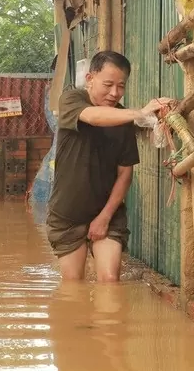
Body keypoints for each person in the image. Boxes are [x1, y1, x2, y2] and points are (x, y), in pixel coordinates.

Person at [46, 50, 172, 282]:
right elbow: (93, 117)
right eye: (108, 84)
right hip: (67, 214)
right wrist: (140, 113)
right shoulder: (72, 99)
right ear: (90, 79)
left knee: (110, 280)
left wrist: (104, 217)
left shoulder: (123, 119)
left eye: (121, 86)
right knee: (73, 284)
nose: (115, 93)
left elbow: (125, 174)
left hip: (108, 212)